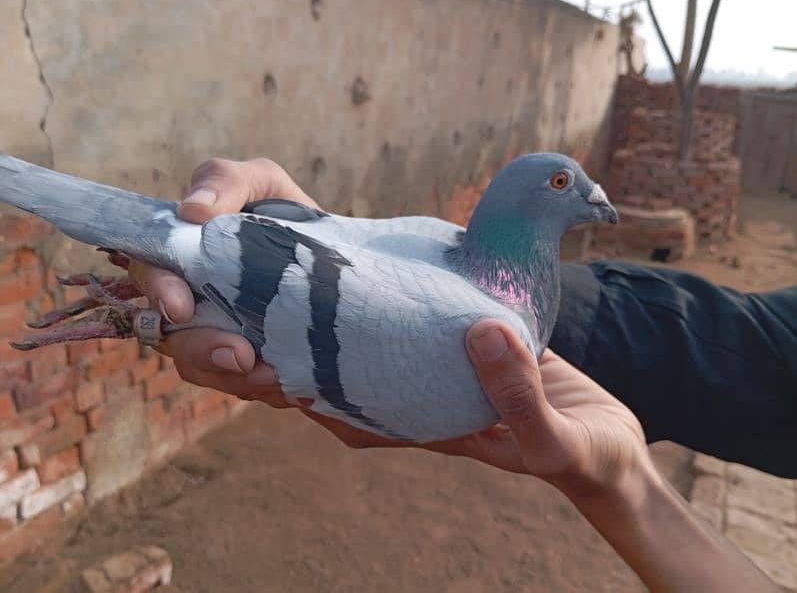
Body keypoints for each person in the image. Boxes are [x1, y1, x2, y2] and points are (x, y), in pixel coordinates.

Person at [130, 158, 789, 590]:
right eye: (563, 184)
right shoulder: (462, 271)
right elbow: (736, 342)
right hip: (265, 258)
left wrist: (617, 482)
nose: (592, 197)